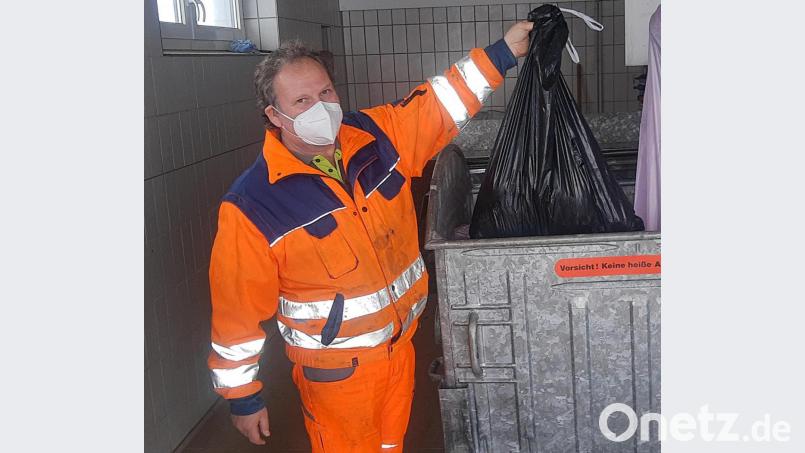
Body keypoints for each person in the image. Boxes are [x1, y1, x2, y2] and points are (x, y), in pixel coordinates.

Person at [206, 20, 534, 452]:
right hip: (336, 377)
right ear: (274, 115)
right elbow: (236, 314)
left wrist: (503, 53)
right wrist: (243, 398)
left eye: (325, 93)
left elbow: (439, 103)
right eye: (301, 100)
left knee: (390, 446)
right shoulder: (254, 205)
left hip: (400, 352)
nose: (319, 107)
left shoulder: (378, 137)